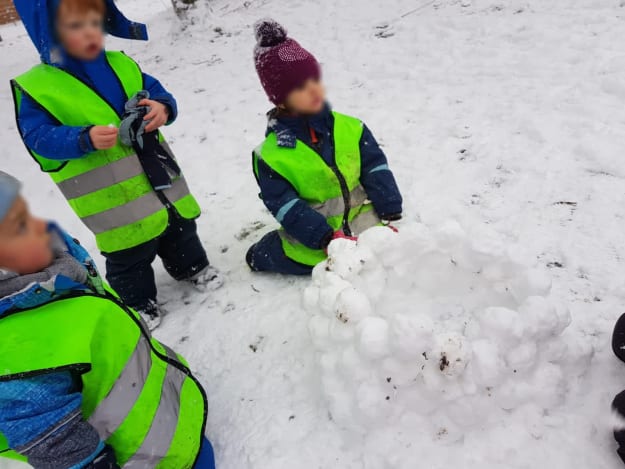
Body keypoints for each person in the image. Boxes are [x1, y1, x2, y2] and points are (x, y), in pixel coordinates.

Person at [11, 0, 221, 329]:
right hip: (114, 200)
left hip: (158, 177)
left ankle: (192, 267)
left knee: (179, 228)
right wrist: (82, 138)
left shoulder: (120, 64)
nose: (92, 33)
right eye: (77, 27)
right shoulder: (39, 87)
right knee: (129, 252)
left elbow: (155, 91)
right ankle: (137, 302)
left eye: (95, 23)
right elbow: (38, 137)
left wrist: (162, 108)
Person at [0, 171, 216, 468]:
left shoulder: (49, 281)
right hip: (144, 457)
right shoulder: (13, 350)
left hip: (162, 421)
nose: (41, 227)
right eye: (20, 227)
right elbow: (53, 439)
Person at [247, 19, 404, 275]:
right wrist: (324, 238)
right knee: (309, 264)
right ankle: (266, 251)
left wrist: (389, 205)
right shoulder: (270, 156)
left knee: (382, 252)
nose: (314, 90)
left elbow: (375, 166)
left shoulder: (351, 128)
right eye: (300, 87)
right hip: (315, 239)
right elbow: (284, 204)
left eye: (314, 80)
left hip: (362, 223)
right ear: (281, 99)